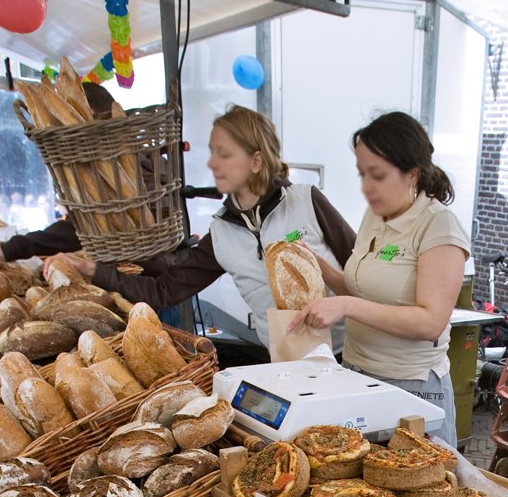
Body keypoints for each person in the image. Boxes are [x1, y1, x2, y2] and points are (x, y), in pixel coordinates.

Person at [55, 105, 357, 365]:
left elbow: (362, 268)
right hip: (285, 363)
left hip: (348, 356)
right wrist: (95, 271)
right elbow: (165, 290)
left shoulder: (307, 201)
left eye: (224, 154)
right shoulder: (222, 231)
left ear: (256, 161)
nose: (212, 164)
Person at [290, 111, 468, 446]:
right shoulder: (375, 215)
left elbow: (430, 322)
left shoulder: (438, 226)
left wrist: (346, 305)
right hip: (356, 376)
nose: (366, 187)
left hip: (411, 389)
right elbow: (359, 288)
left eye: (377, 175)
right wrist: (311, 262)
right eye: (362, 174)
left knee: (417, 489)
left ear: (412, 173)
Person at [0, 83, 126, 262]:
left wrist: (14, 247)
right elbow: (77, 227)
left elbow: (77, 231)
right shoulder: (101, 165)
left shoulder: (126, 169)